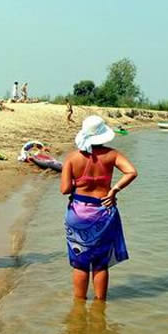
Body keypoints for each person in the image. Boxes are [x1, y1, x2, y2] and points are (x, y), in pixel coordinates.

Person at [60, 115, 138, 300]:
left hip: (78, 212)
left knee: (80, 262)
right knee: (100, 263)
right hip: (103, 210)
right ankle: (100, 307)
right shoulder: (112, 155)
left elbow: (65, 190)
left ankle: (79, 305)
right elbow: (131, 172)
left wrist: (76, 182)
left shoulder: (72, 158)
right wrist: (114, 190)